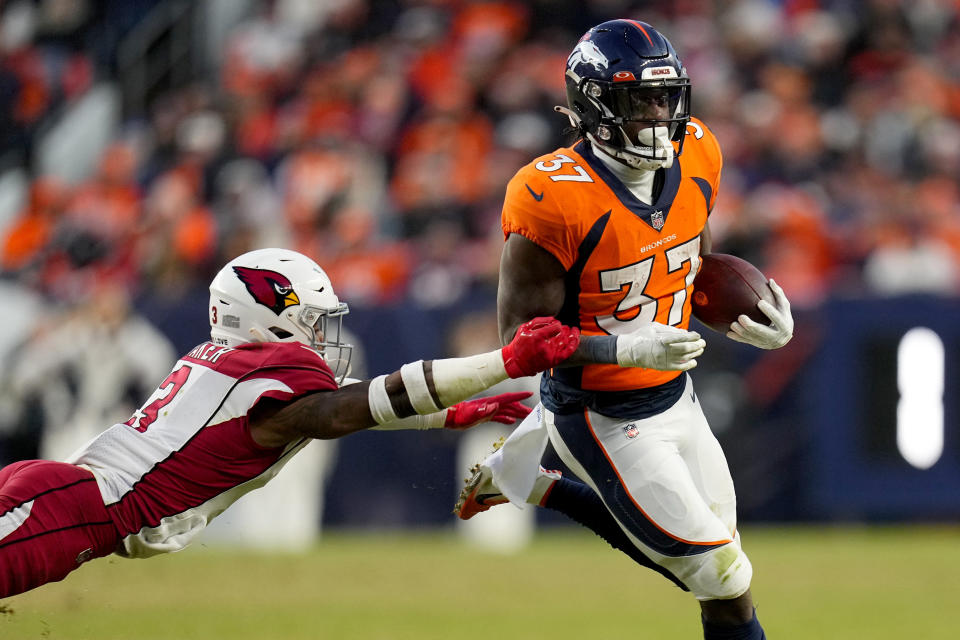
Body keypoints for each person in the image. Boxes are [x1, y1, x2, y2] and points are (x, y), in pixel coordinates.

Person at [454, 20, 793, 640]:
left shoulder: (699, 151)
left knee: (719, 575)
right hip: (600, 413)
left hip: (676, 396)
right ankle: (539, 480)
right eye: (640, 101)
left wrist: (748, 315)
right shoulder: (549, 193)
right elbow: (521, 343)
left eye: (667, 99)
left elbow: (692, 265)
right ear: (595, 105)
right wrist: (623, 345)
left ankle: (526, 477)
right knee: (723, 576)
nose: (660, 118)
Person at [0, 248, 582, 598]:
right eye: (310, 320)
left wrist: (443, 416)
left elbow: (325, 412)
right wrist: (502, 363)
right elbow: (338, 411)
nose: (320, 335)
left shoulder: (230, 363)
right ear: (264, 316)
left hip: (66, 495)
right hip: (77, 509)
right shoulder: (273, 367)